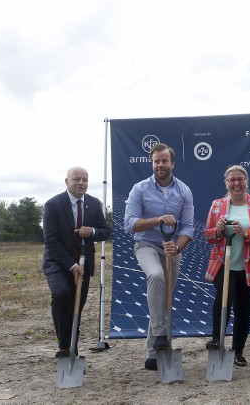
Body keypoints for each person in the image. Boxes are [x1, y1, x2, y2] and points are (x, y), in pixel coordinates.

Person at [123, 143, 194, 371]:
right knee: (155, 275)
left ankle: (153, 356)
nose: (160, 165)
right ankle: (162, 335)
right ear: (152, 163)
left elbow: (189, 227)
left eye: (164, 161)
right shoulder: (139, 189)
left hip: (172, 248)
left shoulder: (184, 190)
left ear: (172, 163)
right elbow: (129, 224)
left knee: (162, 301)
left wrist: (178, 247)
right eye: (156, 161)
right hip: (146, 244)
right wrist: (158, 220)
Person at [203, 165, 250, 367]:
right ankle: (217, 339)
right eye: (232, 180)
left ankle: (237, 351)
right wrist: (218, 229)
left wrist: (245, 233)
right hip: (223, 263)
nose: (236, 183)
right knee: (223, 300)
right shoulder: (217, 205)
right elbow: (207, 235)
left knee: (244, 310)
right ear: (226, 183)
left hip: (248, 266)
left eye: (240, 179)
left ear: (246, 181)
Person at [42, 166, 111, 358]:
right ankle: (65, 346)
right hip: (57, 262)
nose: (82, 183)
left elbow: (106, 230)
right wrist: (71, 266)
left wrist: (93, 232)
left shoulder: (94, 204)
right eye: (77, 179)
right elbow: (51, 241)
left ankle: (71, 349)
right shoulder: (53, 205)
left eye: (85, 180)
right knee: (62, 293)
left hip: (83, 262)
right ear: (67, 181)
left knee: (76, 306)